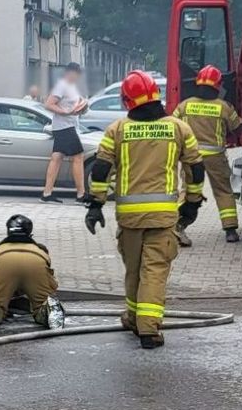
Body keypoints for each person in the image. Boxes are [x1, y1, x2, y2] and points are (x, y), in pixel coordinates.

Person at [84, 70, 205, 349]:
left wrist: (95, 205)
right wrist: (192, 204)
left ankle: (134, 317)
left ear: (127, 100)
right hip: (163, 217)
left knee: (134, 270)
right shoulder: (178, 128)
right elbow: (195, 169)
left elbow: (101, 169)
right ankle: (148, 329)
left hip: (129, 217)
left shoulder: (117, 129)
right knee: (155, 271)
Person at [171, 64, 242, 245]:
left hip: (191, 156)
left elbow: (172, 126)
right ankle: (230, 230)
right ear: (218, 86)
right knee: (223, 191)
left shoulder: (185, 105)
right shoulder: (224, 107)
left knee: (187, 190)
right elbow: (239, 128)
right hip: (215, 157)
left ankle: (177, 226)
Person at [0, 215, 64, 335]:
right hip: (36, 263)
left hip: (3, 261)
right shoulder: (40, 249)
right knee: (40, 305)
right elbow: (51, 282)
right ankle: (48, 309)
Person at [41, 62, 89, 203]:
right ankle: (81, 194)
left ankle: (46, 193)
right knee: (78, 156)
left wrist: (83, 108)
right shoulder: (61, 85)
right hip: (64, 127)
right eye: (76, 74)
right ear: (70, 73)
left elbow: (76, 105)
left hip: (68, 126)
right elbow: (49, 104)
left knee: (56, 158)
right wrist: (65, 112)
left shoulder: (72, 87)